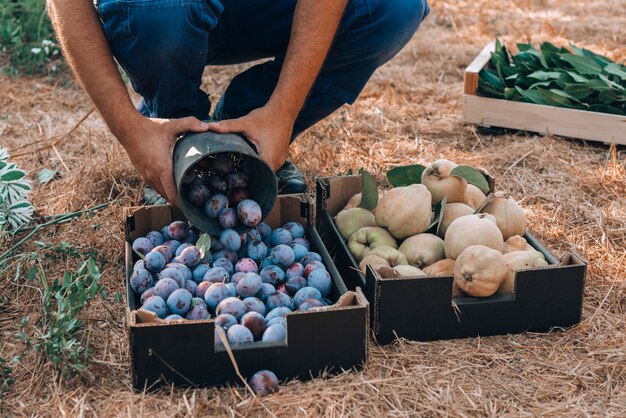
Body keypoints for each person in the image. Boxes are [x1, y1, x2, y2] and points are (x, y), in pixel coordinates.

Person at [47, 0, 430, 203]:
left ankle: (243, 128)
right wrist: (131, 131)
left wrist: (282, 109)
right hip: (163, 10)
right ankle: (177, 136)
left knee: (391, 7)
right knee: (155, 9)